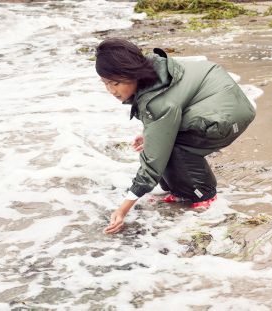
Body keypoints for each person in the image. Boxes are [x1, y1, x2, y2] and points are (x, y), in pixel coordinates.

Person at [95, 38, 256, 234]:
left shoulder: (158, 102)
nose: (111, 90)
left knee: (171, 146)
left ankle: (204, 194)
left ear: (132, 72)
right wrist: (150, 133)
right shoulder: (153, 70)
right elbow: (170, 111)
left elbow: (153, 161)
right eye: (105, 83)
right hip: (219, 99)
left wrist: (123, 209)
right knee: (161, 142)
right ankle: (181, 192)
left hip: (228, 115)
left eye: (116, 83)